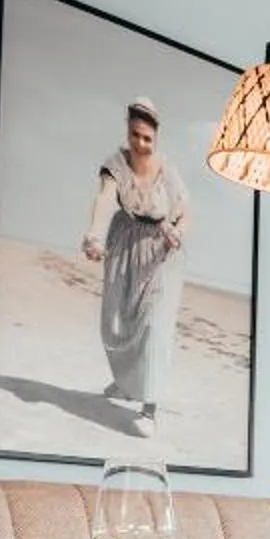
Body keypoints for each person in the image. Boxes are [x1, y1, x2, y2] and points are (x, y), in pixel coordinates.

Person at [78, 98, 188, 437]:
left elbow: (185, 210)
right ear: (127, 131)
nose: (140, 143)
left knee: (154, 327)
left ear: (156, 137)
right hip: (125, 242)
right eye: (135, 135)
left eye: (147, 138)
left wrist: (177, 231)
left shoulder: (167, 170)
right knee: (118, 320)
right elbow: (104, 199)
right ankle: (127, 383)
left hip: (160, 251)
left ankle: (149, 410)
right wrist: (94, 235)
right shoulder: (116, 164)